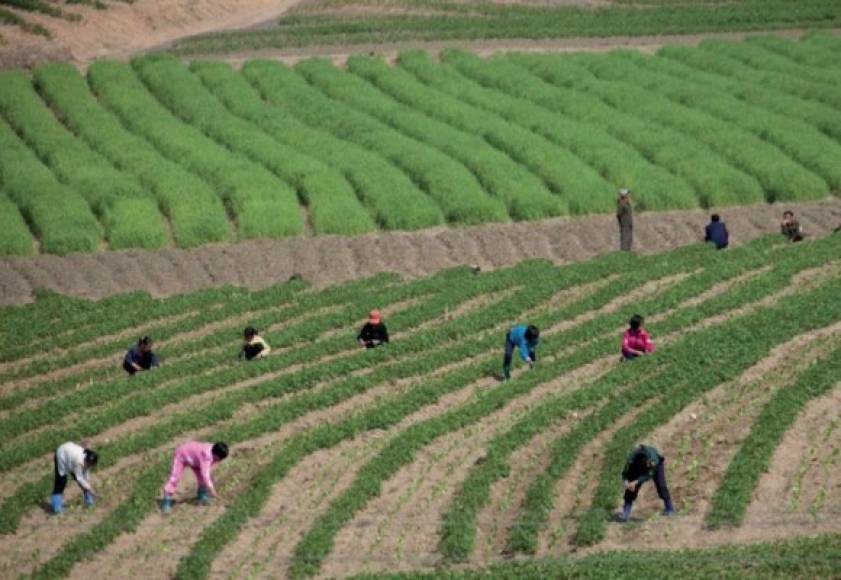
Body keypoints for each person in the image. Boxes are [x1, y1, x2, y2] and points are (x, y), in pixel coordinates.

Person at [161, 441, 229, 513]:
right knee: (175, 478)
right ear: (215, 454)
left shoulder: (213, 451)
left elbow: (205, 473)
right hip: (182, 455)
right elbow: (205, 474)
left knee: (202, 478)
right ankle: (166, 500)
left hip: (196, 460)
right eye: (219, 458)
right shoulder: (206, 455)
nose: (219, 461)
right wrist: (211, 489)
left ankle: (202, 495)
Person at [618, 444, 675, 522]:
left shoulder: (653, 460)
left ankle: (669, 508)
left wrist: (636, 481)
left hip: (657, 467)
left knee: (661, 486)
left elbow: (648, 475)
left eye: (648, 462)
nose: (648, 463)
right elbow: (625, 473)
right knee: (630, 489)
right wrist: (626, 481)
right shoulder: (631, 460)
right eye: (647, 462)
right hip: (638, 467)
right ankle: (625, 513)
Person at [51, 442, 98, 514]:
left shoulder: (87, 459)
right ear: (86, 460)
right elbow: (79, 478)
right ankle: (56, 506)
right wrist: (90, 489)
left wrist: (88, 485)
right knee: (61, 481)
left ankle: (89, 500)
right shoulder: (79, 461)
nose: (89, 466)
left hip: (70, 455)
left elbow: (86, 475)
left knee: (84, 481)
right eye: (89, 464)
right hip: (62, 455)